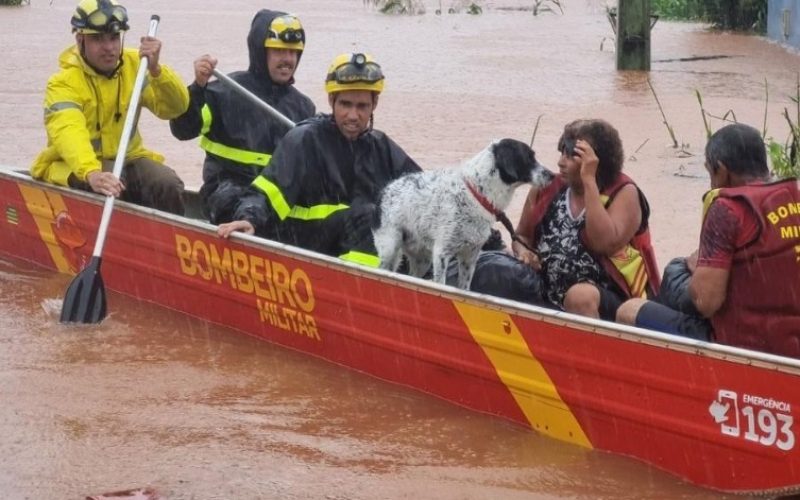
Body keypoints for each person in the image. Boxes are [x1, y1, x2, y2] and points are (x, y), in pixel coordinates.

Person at [218, 52, 421, 266]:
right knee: (369, 216)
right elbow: (267, 193)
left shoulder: (380, 146)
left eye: (362, 106)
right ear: (331, 101)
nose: (353, 116)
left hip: (354, 242)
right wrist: (249, 219)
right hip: (303, 244)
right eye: (345, 104)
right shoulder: (304, 140)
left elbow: (421, 191)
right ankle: (360, 290)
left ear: (374, 104)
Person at [617, 123, 800, 358]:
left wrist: (698, 269)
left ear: (722, 170)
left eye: (710, 173)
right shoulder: (792, 197)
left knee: (630, 309)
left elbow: (706, 302)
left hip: (740, 346)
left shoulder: (728, 208)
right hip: (790, 346)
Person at [31, 0, 189, 215]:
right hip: (76, 166)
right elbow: (68, 133)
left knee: (167, 184)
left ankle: (168, 244)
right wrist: (91, 173)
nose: (109, 47)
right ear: (80, 41)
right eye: (97, 39)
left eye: (114, 38)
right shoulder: (62, 82)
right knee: (104, 187)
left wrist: (157, 71)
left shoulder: (138, 64)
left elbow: (175, 108)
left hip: (129, 158)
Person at [170, 10, 316, 224]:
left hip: (274, 194)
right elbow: (183, 130)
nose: (288, 60)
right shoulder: (223, 92)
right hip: (226, 191)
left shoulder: (304, 107)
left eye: (293, 52)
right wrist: (198, 87)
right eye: (279, 51)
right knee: (246, 206)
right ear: (259, 51)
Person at [512, 119, 660, 320]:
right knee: (499, 271)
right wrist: (524, 253)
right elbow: (521, 235)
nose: (560, 162)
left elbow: (603, 243)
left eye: (571, 155)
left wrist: (589, 180)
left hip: (612, 301)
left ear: (596, 162)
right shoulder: (545, 189)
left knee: (579, 296)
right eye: (561, 152)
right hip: (547, 289)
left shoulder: (624, 193)